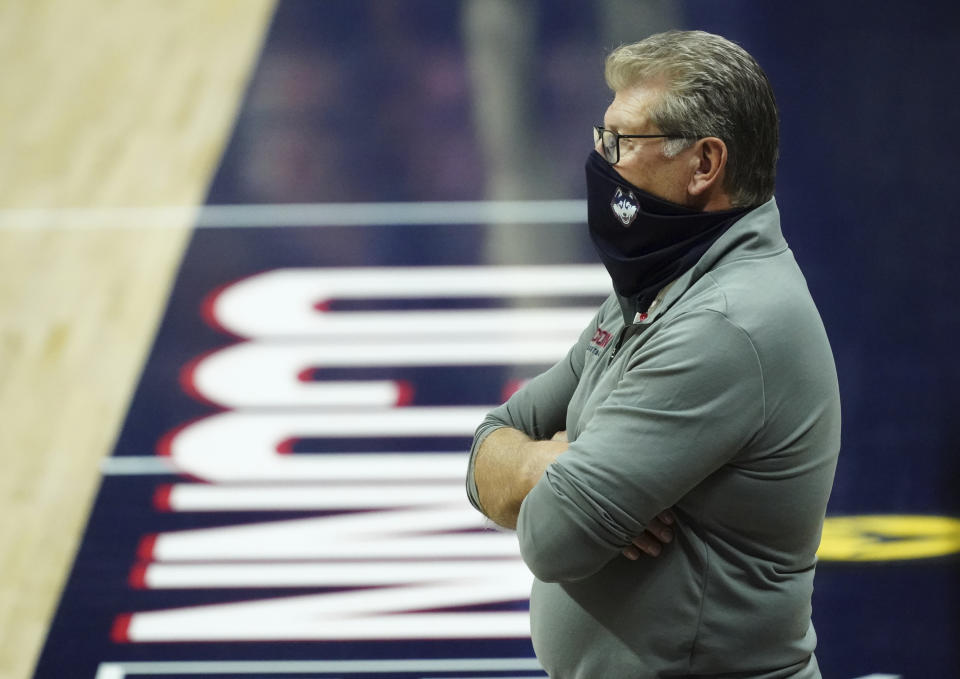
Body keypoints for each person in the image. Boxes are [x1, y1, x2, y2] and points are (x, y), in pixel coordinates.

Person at [465, 30, 841, 678]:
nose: (602, 162)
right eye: (601, 138)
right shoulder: (665, 281)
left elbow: (551, 537)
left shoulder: (725, 325)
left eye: (622, 142)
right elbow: (487, 447)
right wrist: (546, 462)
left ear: (704, 165)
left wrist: (550, 468)